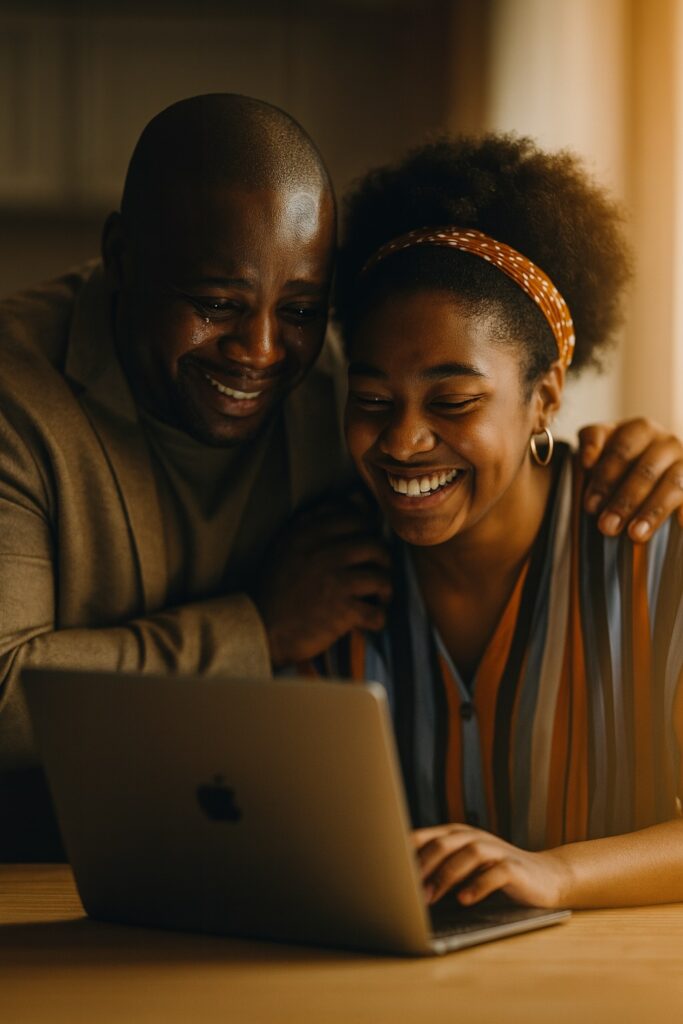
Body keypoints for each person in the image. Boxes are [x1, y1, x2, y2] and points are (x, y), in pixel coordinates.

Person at [0, 95, 680, 860]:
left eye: (297, 309)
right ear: (123, 259)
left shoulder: (646, 542)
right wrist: (257, 628)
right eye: (216, 303)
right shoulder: (338, 564)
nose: (259, 352)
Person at [323, 133, 683, 909]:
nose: (402, 441)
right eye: (373, 401)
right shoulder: (325, 571)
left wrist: (555, 873)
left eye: (453, 401)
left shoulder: (657, 548)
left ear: (545, 396)